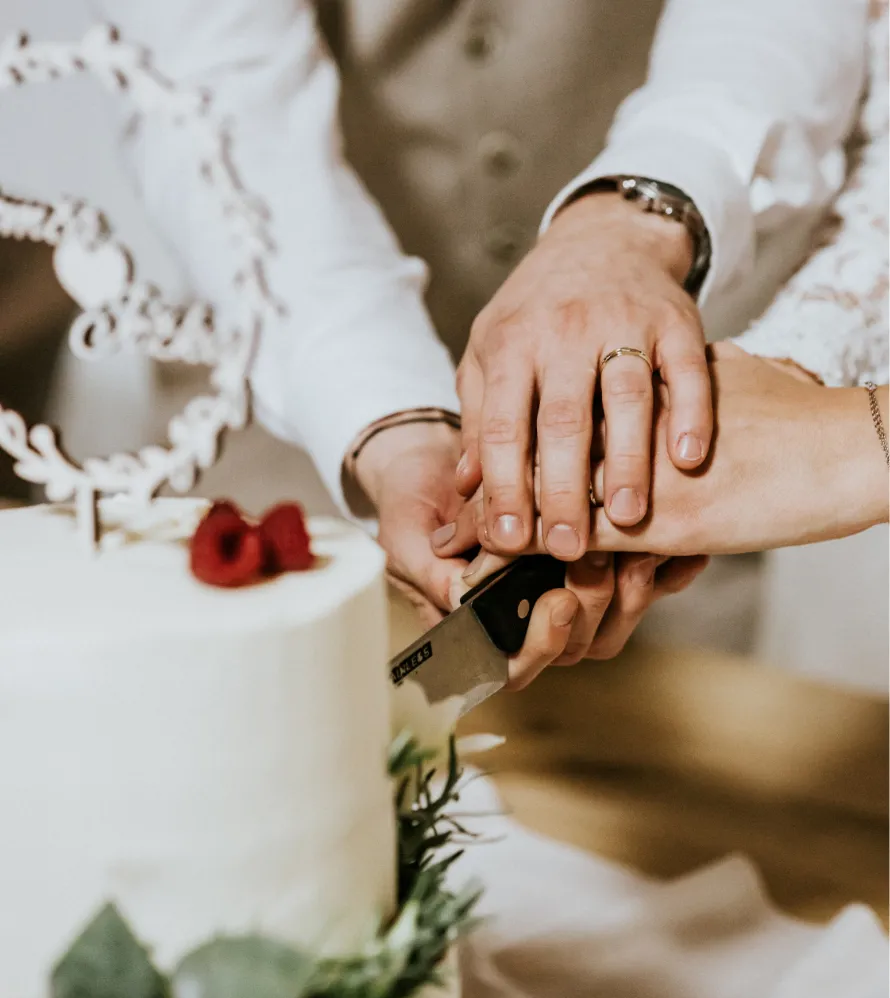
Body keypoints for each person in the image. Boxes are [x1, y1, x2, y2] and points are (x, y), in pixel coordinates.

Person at [90, 0, 869, 680]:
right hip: (289, 382)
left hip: (676, 388)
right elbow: (213, 92)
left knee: (677, 774)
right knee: (296, 759)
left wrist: (629, 222)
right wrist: (391, 424)